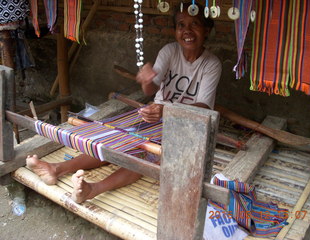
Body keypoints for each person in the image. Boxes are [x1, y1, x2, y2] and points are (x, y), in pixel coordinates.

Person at [26, 2, 222, 204]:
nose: (187, 31)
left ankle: (92, 189)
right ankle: (56, 168)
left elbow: (204, 109)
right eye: (181, 25)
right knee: (118, 139)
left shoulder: (211, 64)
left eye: (195, 24)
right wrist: (147, 81)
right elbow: (150, 90)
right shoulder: (169, 51)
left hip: (189, 125)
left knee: (145, 155)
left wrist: (166, 111)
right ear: (175, 31)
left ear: (206, 30)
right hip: (157, 116)